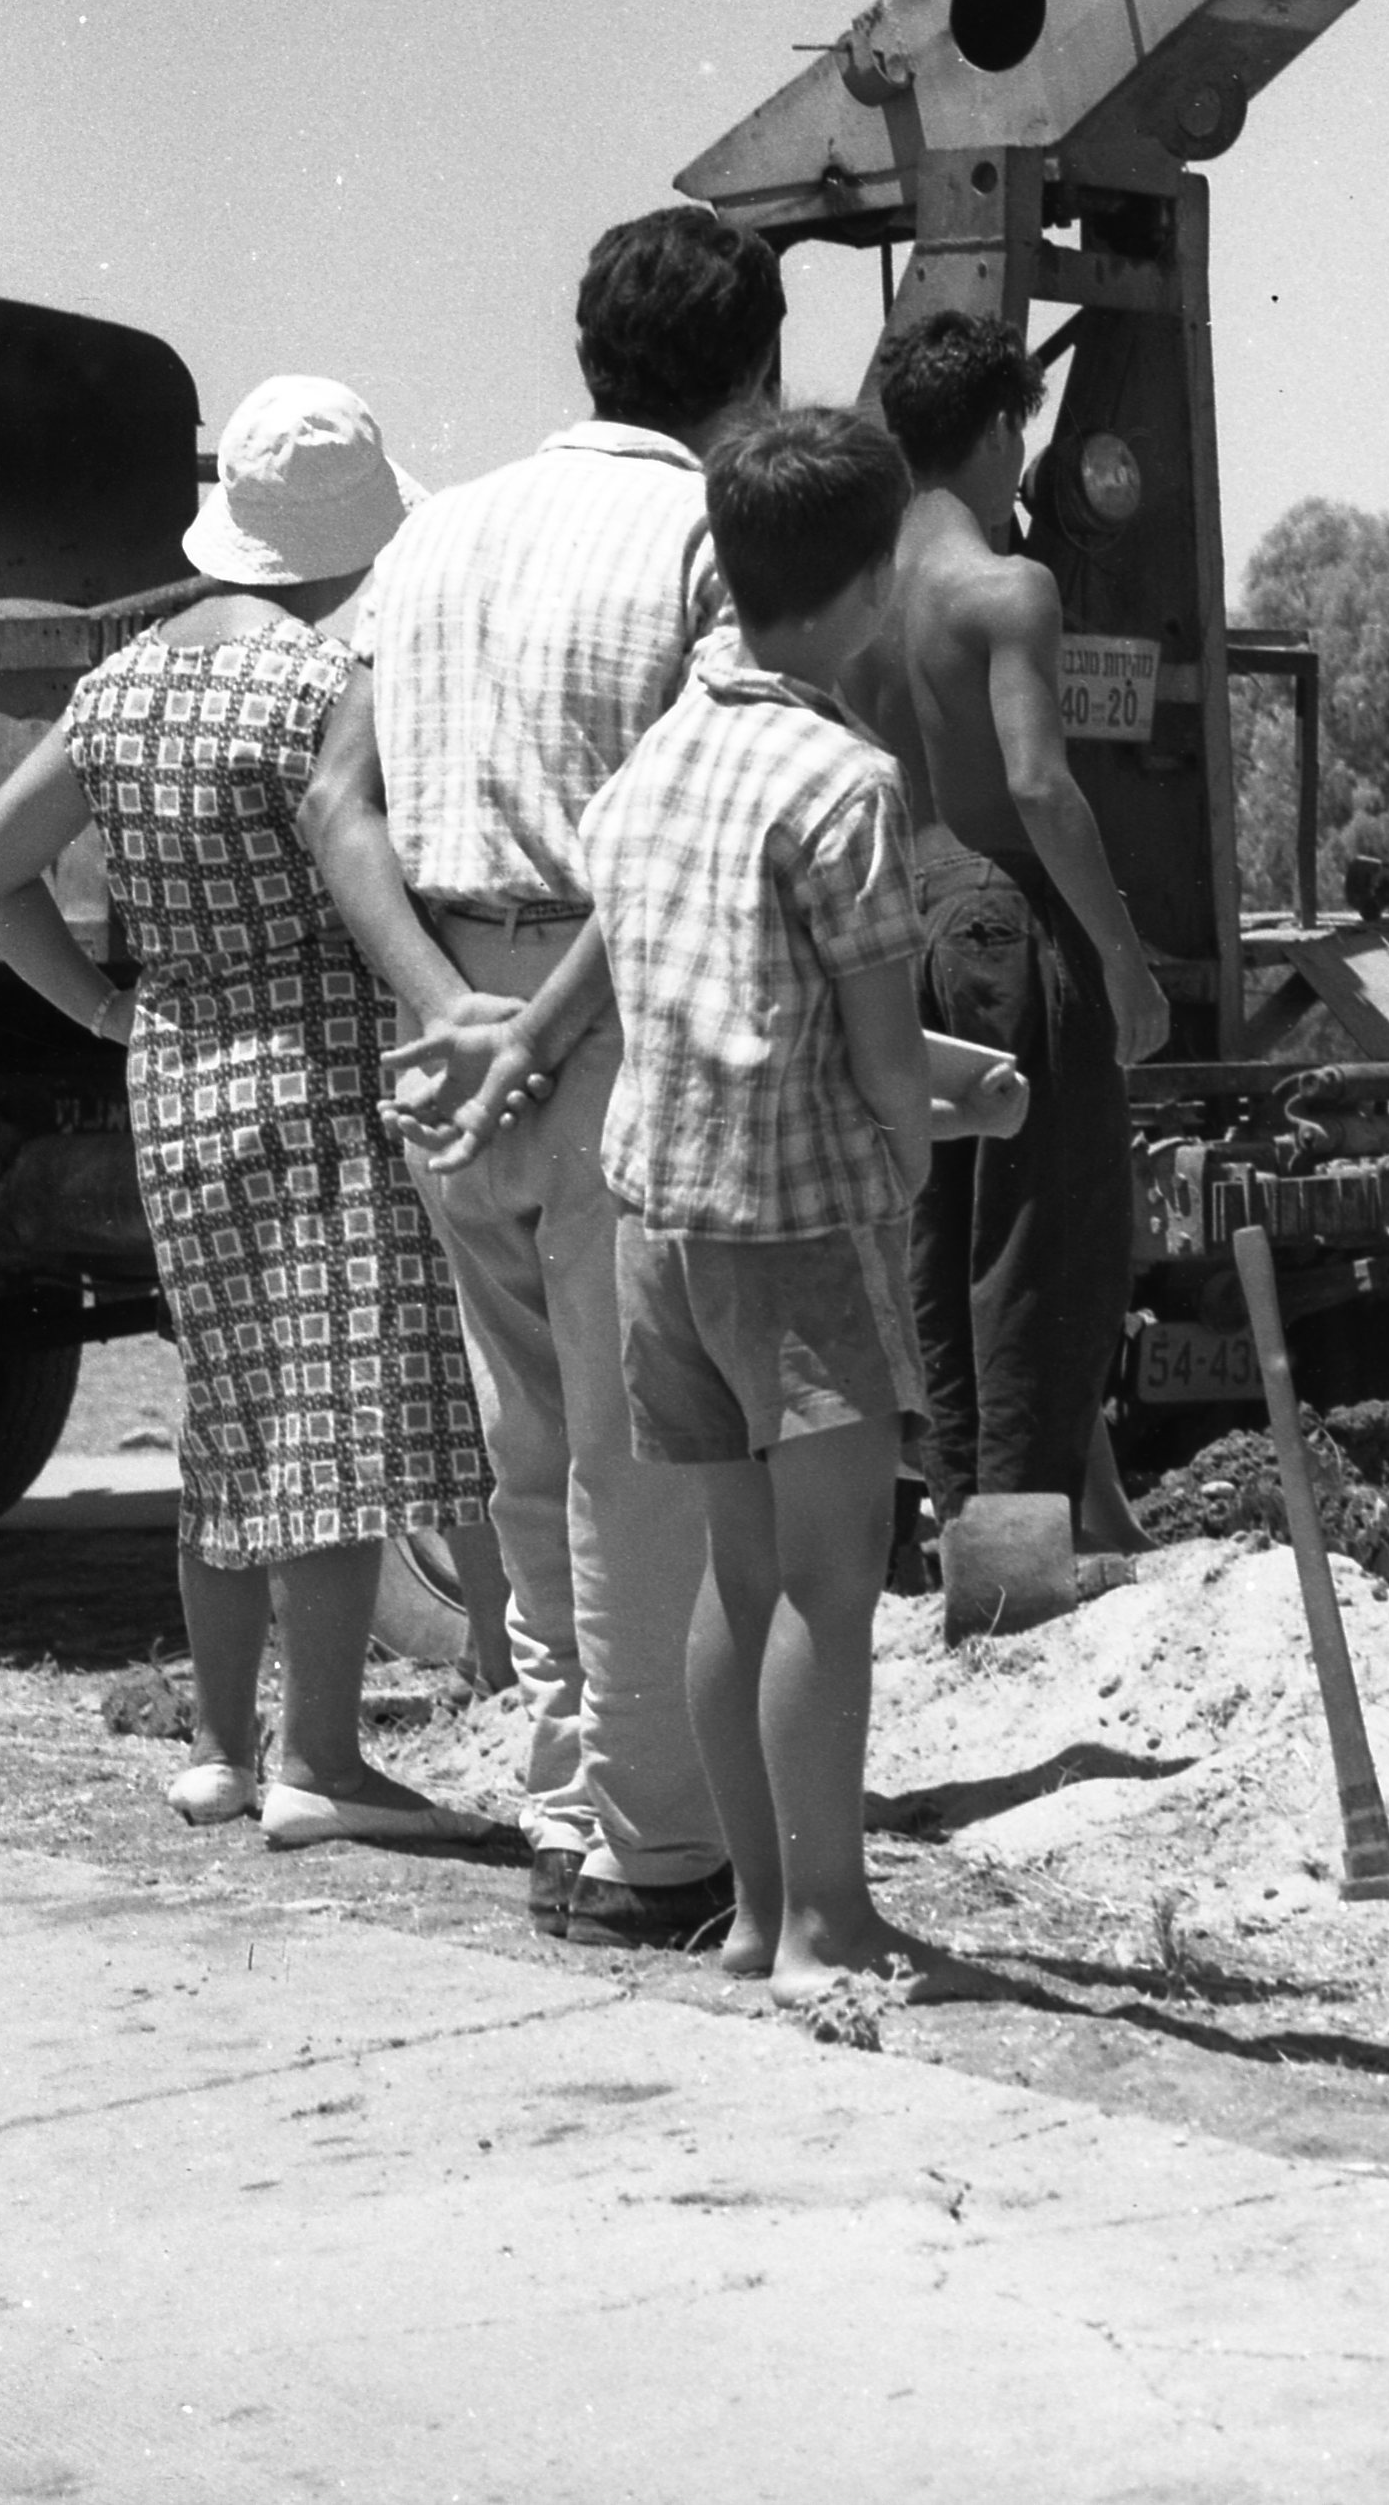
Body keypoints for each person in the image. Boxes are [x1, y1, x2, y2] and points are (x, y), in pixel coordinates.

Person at [302, 204, 782, 1949]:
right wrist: (540, 1026)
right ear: (754, 368)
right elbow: (674, 820)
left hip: (440, 1033)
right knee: (632, 1457)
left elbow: (336, 808)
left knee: (525, 1450)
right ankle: (647, 1847)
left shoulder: (428, 545)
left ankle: (568, 1798)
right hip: (599, 1025)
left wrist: (449, 1010)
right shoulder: (703, 536)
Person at [0, 376, 493, 1849]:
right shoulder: (331, 683)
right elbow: (373, 868)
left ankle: (218, 1741)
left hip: (177, 1076)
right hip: (321, 1066)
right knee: (335, 1415)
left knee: (232, 1411)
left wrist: (112, 1006)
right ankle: (323, 1760)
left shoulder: (118, 681)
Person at [491, 405, 946, 2011]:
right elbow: (885, 1054)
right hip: (799, 1231)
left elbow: (691, 980)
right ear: (874, 579)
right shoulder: (846, 782)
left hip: (660, 1230)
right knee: (834, 1584)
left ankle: (753, 1910)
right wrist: (919, 1144)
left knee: (734, 1577)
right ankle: (832, 1917)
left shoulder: (653, 767)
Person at [853, 311, 1174, 1545]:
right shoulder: (1006, 588)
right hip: (1003, 911)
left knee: (943, 1241)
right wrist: (1122, 956)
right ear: (997, 432)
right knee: (1044, 1243)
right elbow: (1039, 786)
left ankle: (973, 1528)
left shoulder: (865, 605)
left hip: (909, 912)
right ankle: (1023, 1563)